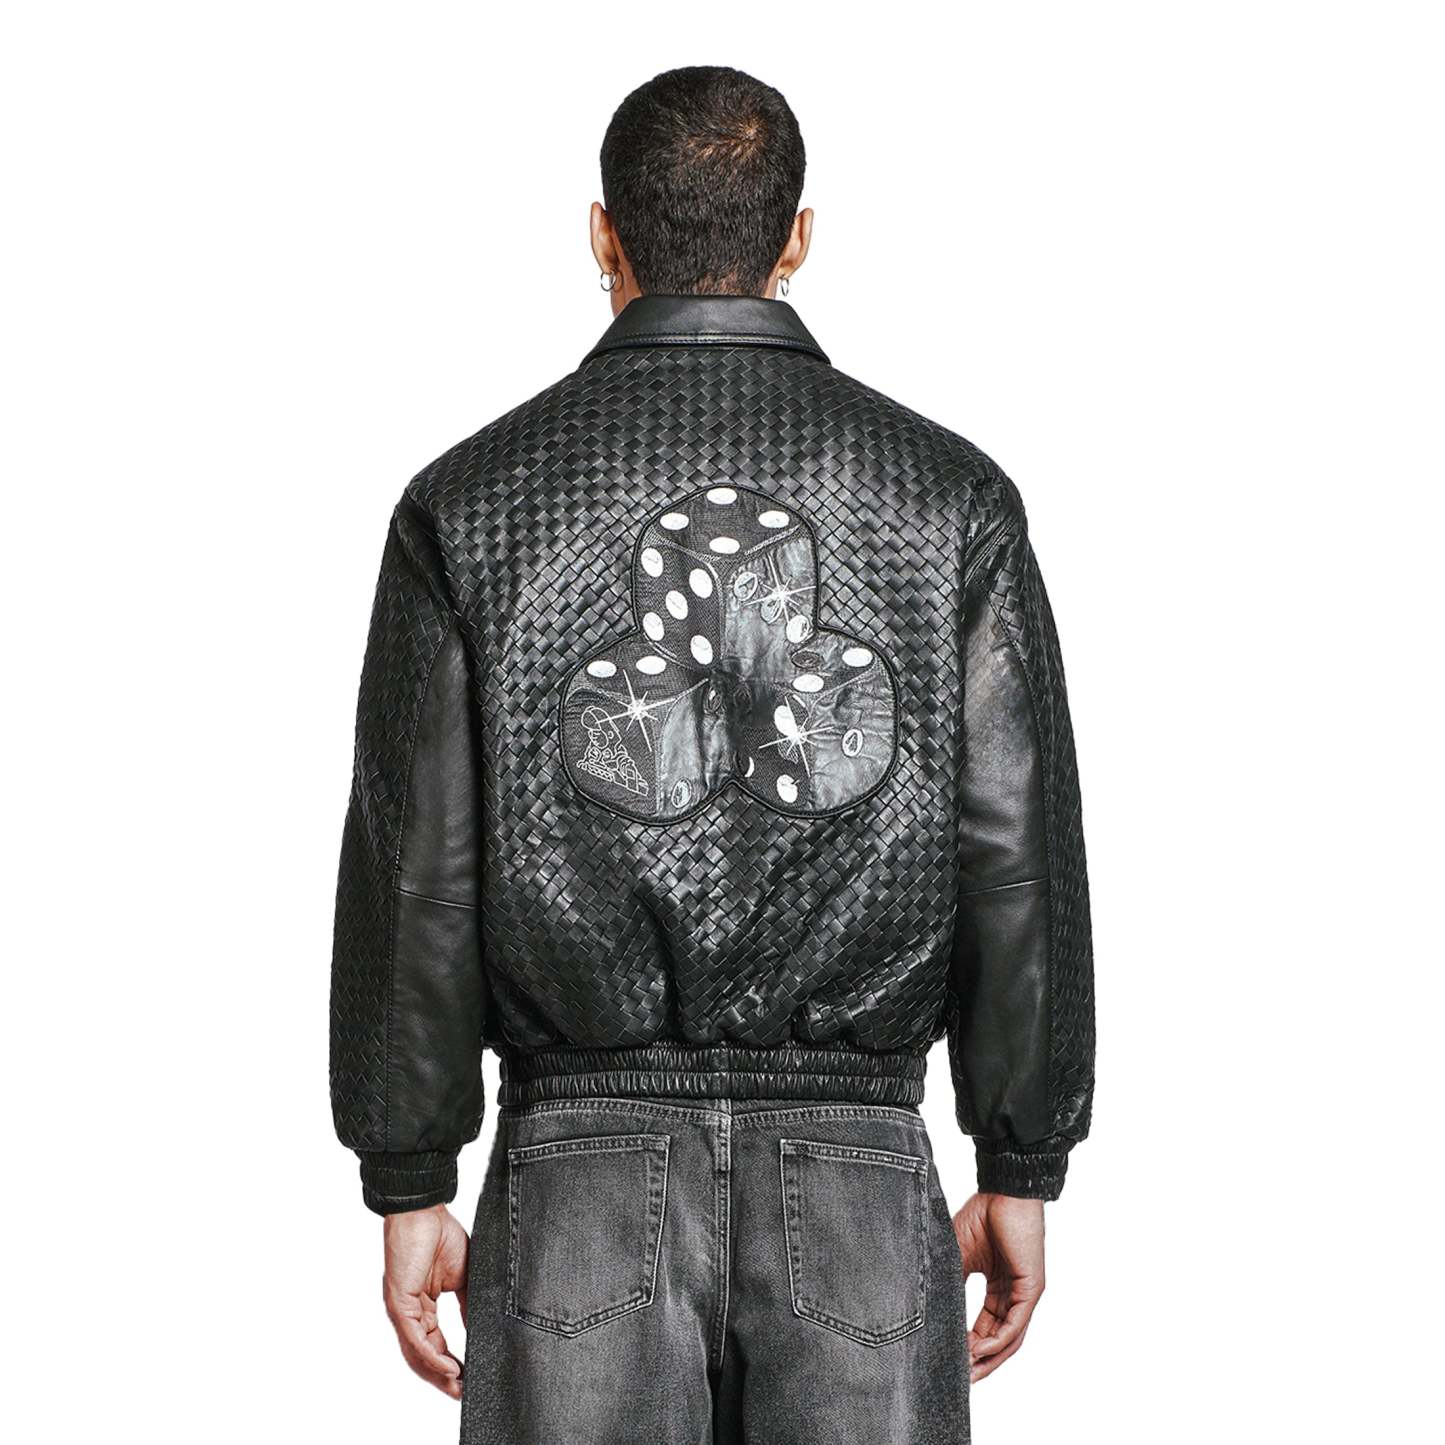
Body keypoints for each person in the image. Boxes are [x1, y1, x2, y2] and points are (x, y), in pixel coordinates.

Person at [329, 64, 1094, 1445]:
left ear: (602, 234)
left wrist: (410, 1174)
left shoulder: (471, 501)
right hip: (860, 1179)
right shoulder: (950, 499)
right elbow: (1013, 854)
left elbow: (417, 871)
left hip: (575, 1175)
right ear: (797, 238)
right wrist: (1020, 1155)